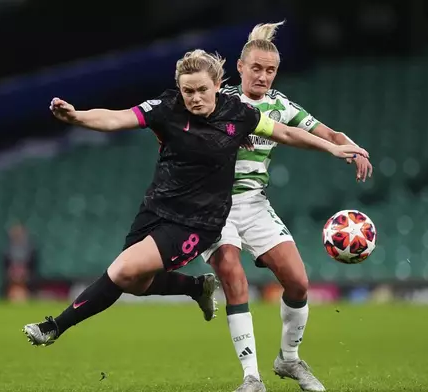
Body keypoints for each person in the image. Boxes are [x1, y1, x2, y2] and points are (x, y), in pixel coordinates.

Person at [21, 48, 369, 354]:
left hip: (198, 220)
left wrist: (333, 146)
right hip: (156, 208)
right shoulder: (166, 108)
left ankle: (54, 327)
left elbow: (288, 133)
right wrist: (78, 117)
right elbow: (117, 117)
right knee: (134, 283)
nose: (195, 97)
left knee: (123, 270)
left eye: (203, 89)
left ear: (218, 84)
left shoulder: (239, 114)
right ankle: (197, 286)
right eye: (188, 91)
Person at [138, 22, 374, 392]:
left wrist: (353, 148)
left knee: (297, 282)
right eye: (257, 68)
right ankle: (252, 378)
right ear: (240, 67)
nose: (263, 75)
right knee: (232, 273)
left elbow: (326, 134)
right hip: (212, 206)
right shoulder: (220, 101)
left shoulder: (280, 106)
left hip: (255, 204)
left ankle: (289, 360)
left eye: (271, 70)